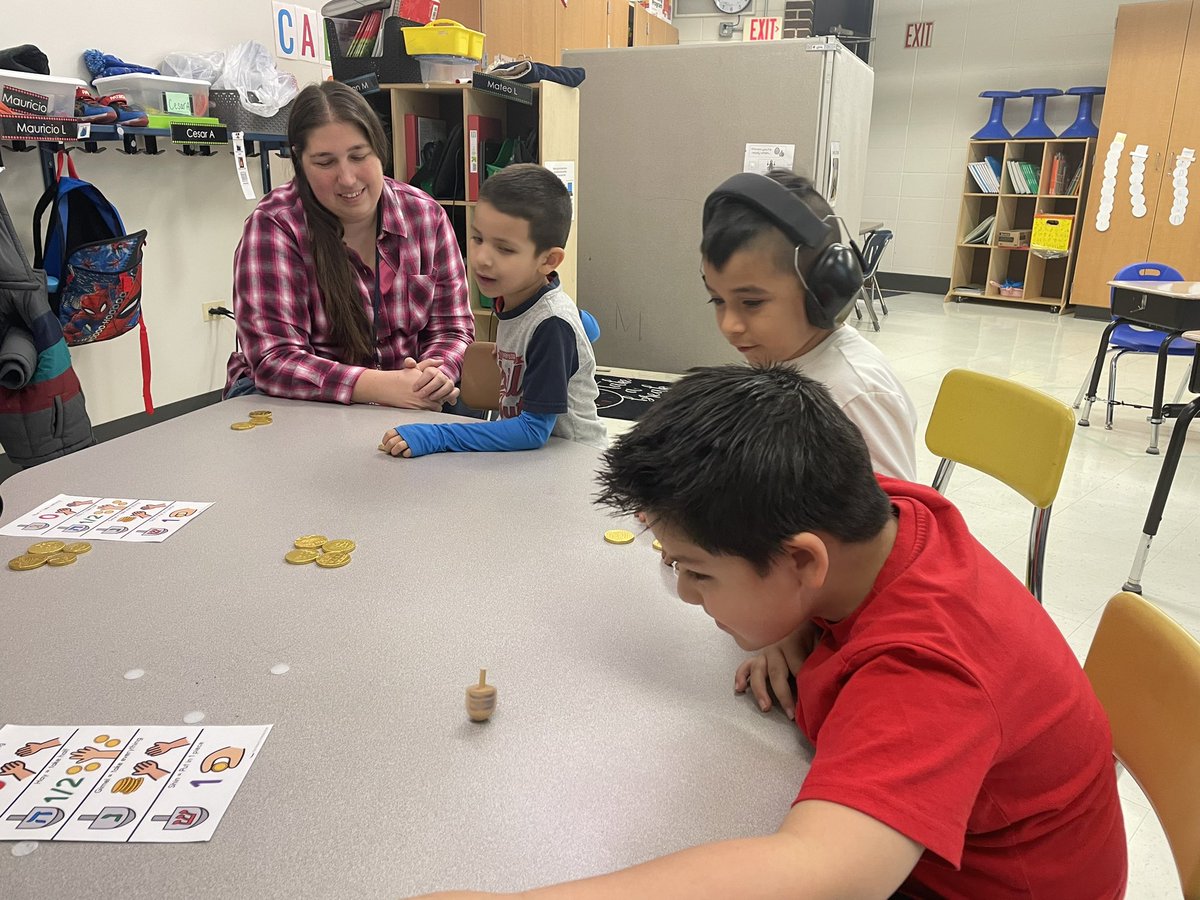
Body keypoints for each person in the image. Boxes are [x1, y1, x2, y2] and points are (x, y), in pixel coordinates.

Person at [412, 366, 1126, 900]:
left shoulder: (928, 673)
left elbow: (824, 872)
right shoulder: (873, 514)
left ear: (804, 562)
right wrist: (791, 620)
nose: (685, 594)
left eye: (697, 572)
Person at [225, 81, 473, 409]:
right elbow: (274, 359)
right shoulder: (275, 225)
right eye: (324, 163)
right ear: (300, 160)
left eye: (358, 156)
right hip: (299, 401)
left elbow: (453, 329)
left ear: (379, 148)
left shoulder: (425, 216)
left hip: (405, 392)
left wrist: (434, 376)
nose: (347, 178)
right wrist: (381, 386)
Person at [701, 169, 918, 481]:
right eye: (717, 300)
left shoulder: (854, 395)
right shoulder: (783, 358)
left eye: (752, 302)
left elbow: (896, 508)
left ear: (824, 291)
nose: (730, 325)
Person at [380, 164, 606, 458]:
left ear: (548, 260)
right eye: (478, 239)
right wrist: (573, 329)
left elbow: (532, 431)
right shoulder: (518, 298)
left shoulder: (551, 325)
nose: (482, 258)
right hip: (531, 458)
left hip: (571, 462)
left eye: (504, 249)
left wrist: (438, 435)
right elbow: (590, 326)